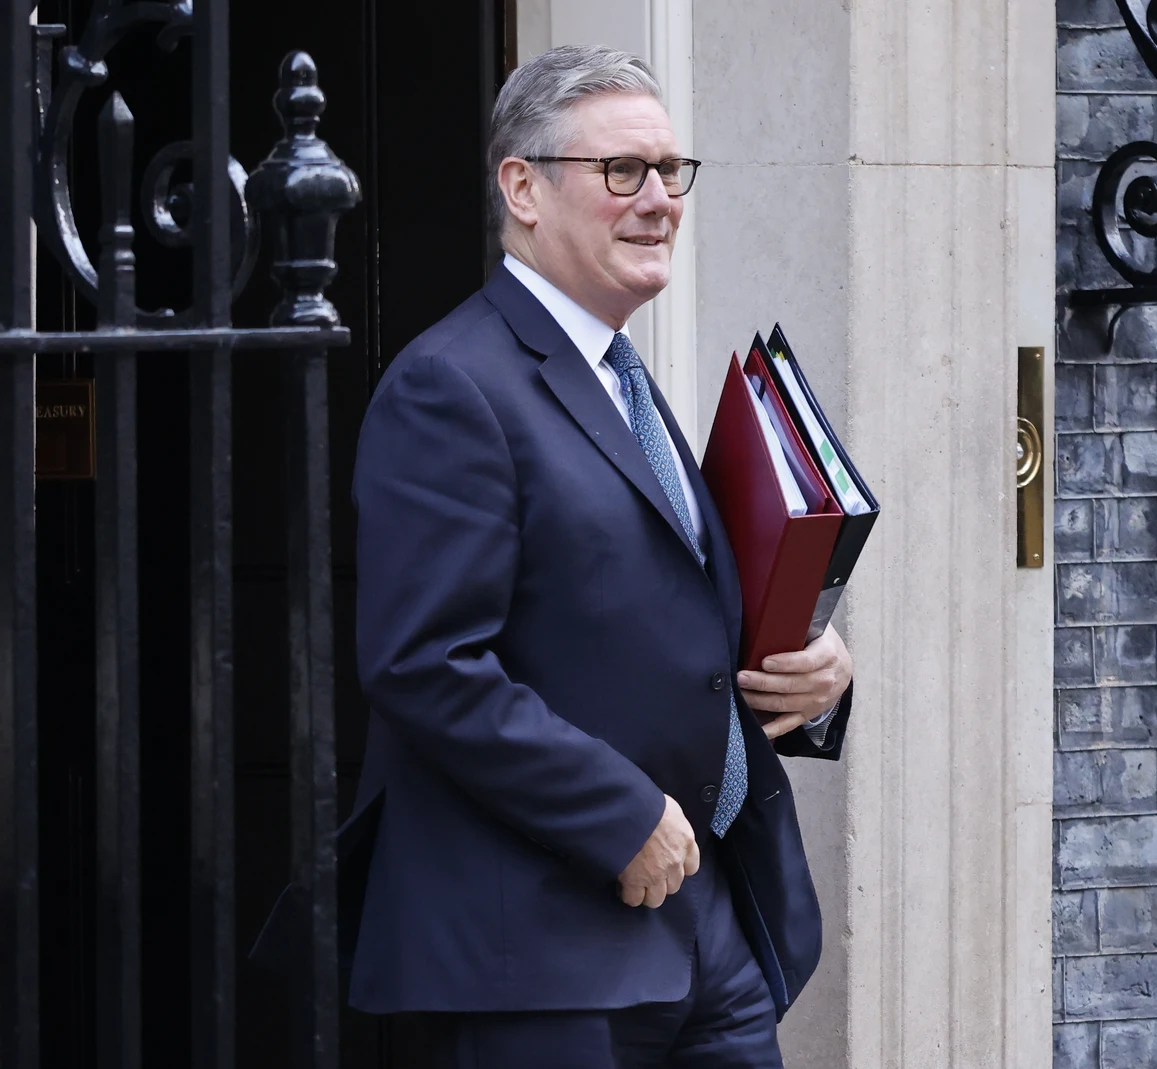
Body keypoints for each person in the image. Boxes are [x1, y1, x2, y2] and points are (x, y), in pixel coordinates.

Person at [341, 45, 854, 1067]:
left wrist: (814, 669)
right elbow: (423, 663)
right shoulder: (450, 385)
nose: (660, 198)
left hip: (704, 929)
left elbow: (664, 619)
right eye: (624, 171)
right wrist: (621, 818)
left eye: (672, 171)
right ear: (521, 186)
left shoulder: (629, 380)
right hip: (537, 950)